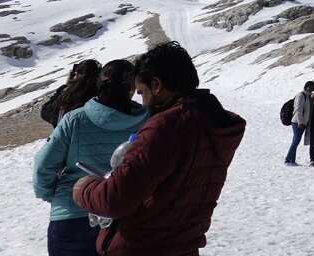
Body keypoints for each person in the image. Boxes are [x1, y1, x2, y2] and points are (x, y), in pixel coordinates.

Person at [73, 41, 245, 256]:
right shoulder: (214, 122)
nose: (143, 102)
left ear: (156, 85)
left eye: (143, 92)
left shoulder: (165, 127)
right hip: (184, 245)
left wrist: (84, 189)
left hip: (144, 246)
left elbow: (116, 200)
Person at [33, 60, 147, 256]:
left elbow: (44, 164)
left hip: (71, 214)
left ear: (99, 83)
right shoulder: (148, 121)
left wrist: (53, 196)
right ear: (132, 89)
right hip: (124, 216)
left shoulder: (75, 119)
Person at [41, 59, 101, 128]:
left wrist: (66, 87)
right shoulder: (102, 94)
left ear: (78, 75)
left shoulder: (68, 97)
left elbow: (45, 111)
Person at [284, 81, 314, 165]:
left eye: (312, 87)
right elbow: (298, 110)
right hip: (297, 122)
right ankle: (287, 159)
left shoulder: (307, 96)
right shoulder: (301, 95)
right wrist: (300, 122)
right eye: (310, 87)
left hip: (302, 123)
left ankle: (292, 160)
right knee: (296, 141)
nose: (311, 89)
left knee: (295, 141)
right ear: (306, 86)